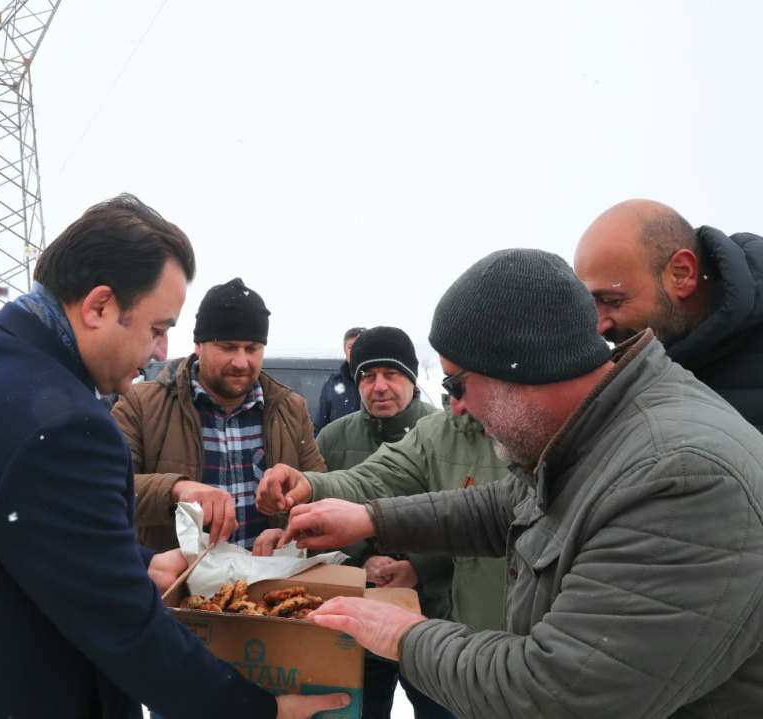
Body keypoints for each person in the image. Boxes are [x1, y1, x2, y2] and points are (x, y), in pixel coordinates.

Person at [0, 194, 346, 719]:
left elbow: (16, 544)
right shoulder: (61, 423)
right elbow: (123, 627)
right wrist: (259, 712)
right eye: (156, 328)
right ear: (99, 305)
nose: (161, 352)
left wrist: (138, 566)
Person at [279, 249, 763, 718]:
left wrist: (405, 636)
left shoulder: (679, 478)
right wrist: (368, 518)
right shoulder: (603, 433)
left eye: (457, 385)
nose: (458, 408)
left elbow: (556, 695)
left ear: (523, 367)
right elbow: (506, 505)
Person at [267, 326, 447, 719]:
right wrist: (359, 562)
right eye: (367, 375)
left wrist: (419, 566)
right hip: (357, 612)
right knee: (363, 709)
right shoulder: (333, 437)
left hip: (435, 616)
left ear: (412, 379)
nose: (379, 386)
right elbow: (318, 519)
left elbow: (466, 519)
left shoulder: (442, 434)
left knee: (439, 710)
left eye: (391, 373)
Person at [111, 277, 326, 552]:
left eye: (252, 349)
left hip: (270, 581)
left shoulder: (290, 408)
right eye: (227, 347)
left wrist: (290, 528)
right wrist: (177, 490)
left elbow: (319, 490)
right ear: (198, 346)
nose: (241, 361)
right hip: (179, 583)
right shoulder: (140, 404)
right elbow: (108, 488)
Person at [574, 199, 763, 429]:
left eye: (613, 301)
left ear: (682, 274)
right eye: (590, 304)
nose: (599, 326)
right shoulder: (636, 374)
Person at [314, 326, 365, 432]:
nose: (355, 352)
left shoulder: (380, 382)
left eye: (360, 346)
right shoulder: (333, 384)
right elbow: (319, 427)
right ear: (344, 349)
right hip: (339, 448)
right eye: (351, 347)